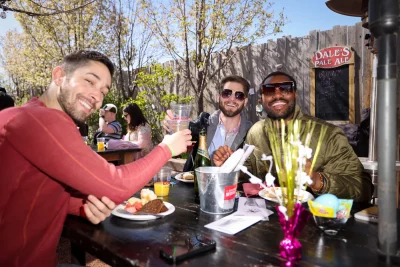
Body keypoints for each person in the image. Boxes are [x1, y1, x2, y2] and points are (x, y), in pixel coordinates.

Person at [0, 50, 192, 266]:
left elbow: (27, 193)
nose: (97, 98)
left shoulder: (20, 116)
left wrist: (80, 206)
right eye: (89, 81)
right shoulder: (40, 120)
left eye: (103, 91)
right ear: (59, 76)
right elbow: (115, 184)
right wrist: (166, 148)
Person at [213, 71, 373, 202]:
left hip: (310, 227)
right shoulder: (256, 132)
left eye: (285, 88)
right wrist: (230, 166)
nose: (277, 95)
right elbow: (249, 172)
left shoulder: (327, 134)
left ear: (295, 94)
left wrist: (318, 181)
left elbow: (365, 189)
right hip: (262, 223)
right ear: (262, 98)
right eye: (269, 90)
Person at [164, 75, 253, 167]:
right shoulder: (202, 124)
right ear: (218, 97)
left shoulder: (251, 134)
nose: (232, 99)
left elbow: (254, 169)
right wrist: (173, 127)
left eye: (239, 95)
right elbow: (184, 133)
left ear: (245, 101)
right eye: (227, 93)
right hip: (197, 181)